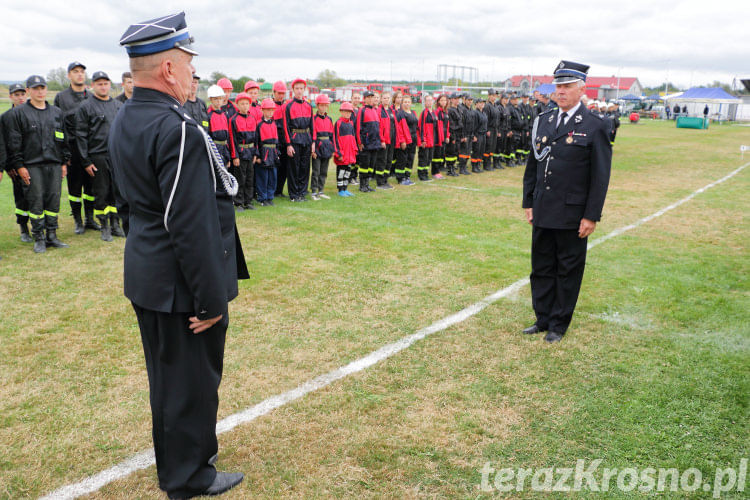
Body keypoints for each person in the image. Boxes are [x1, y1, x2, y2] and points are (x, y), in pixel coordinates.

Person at [109, 12, 248, 498]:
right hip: (179, 285)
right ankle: (189, 478)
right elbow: (189, 225)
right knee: (189, 383)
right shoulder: (178, 128)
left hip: (148, 271)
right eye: (189, 63)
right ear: (168, 69)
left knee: (168, 380)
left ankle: (181, 466)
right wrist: (209, 300)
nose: (195, 73)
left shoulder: (128, 113)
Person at [522, 60, 612, 343]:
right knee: (541, 267)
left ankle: (559, 325)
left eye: (566, 86)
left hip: (573, 213)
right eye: (558, 86)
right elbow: (532, 165)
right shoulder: (544, 120)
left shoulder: (595, 125)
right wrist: (529, 202)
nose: (560, 91)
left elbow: (600, 176)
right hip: (544, 208)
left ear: (581, 89)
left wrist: (591, 215)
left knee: (568, 270)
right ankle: (543, 317)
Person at [7, 75, 70, 253]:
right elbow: (14, 142)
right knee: (36, 202)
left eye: (42, 88)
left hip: (54, 164)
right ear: (28, 91)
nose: (40, 91)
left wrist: (64, 162)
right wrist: (20, 166)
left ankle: (52, 235)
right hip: (32, 165)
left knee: (53, 200)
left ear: (46, 90)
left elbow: (63, 138)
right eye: (35, 88)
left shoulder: (56, 112)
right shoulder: (19, 113)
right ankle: (39, 237)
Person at [74, 71, 124, 241]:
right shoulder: (86, 106)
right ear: (93, 85)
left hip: (116, 156)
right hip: (97, 156)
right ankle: (104, 226)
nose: (103, 87)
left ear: (110, 85)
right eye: (99, 84)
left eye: (106, 83)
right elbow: (80, 135)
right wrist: (86, 161)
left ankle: (116, 224)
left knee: (116, 192)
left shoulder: (118, 105)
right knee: (101, 192)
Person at [55, 61, 99, 234]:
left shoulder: (92, 96)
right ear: (69, 75)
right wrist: (62, 153)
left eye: (82, 71)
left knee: (91, 186)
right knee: (75, 187)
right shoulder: (62, 97)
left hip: (91, 147)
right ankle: (78, 221)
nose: (79, 74)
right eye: (75, 71)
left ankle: (90, 218)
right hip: (72, 147)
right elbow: (57, 125)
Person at [1, 83, 33, 242]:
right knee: (21, 197)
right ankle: (23, 228)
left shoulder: (32, 113)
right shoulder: (5, 117)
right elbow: (4, 143)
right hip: (16, 165)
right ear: (11, 96)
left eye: (22, 94)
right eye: (16, 95)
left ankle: (37, 226)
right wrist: (9, 166)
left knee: (36, 196)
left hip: (34, 162)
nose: (20, 98)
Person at [283, 78, 314, 202]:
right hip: (295, 140)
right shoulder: (288, 106)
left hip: (306, 139)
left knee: (305, 167)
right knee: (294, 168)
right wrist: (288, 144)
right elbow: (286, 126)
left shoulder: (308, 106)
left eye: (301, 88)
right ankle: (294, 194)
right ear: (293, 90)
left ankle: (302, 192)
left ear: (304, 90)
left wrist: (313, 142)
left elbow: (312, 126)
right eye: (297, 88)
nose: (299, 91)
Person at [229, 92, 257, 210]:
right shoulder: (233, 120)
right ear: (238, 105)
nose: (245, 106)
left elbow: (256, 138)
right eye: (242, 104)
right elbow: (232, 139)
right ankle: (238, 202)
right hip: (240, 153)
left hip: (250, 152)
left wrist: (255, 153)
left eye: (247, 103)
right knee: (240, 178)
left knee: (250, 178)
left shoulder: (252, 118)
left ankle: (248, 201)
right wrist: (235, 156)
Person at [255, 98, 280, 206]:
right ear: (263, 110)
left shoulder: (274, 124)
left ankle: (270, 197)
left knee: (272, 176)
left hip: (273, 154)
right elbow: (256, 141)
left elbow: (277, 141)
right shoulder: (259, 125)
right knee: (263, 177)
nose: (270, 112)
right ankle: (262, 198)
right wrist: (258, 156)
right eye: (268, 110)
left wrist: (277, 153)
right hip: (263, 153)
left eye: (272, 110)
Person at [355, 90, 380, 192]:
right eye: (368, 97)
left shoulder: (375, 110)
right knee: (364, 165)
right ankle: (362, 185)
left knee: (371, 165)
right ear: (364, 99)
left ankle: (367, 184)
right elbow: (358, 127)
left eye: (372, 97)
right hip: (366, 143)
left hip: (375, 143)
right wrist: (360, 142)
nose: (370, 99)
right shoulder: (362, 110)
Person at [311, 94, 334, 199]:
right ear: (317, 105)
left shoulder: (329, 119)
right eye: (321, 105)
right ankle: (314, 191)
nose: (323, 107)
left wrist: (332, 149)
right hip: (317, 147)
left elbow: (331, 136)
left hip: (327, 147)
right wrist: (313, 150)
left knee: (324, 171)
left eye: (326, 105)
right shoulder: (314, 119)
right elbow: (313, 135)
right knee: (316, 170)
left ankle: (321, 190)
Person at [332, 101, 357, 197]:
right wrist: (338, 153)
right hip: (342, 154)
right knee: (341, 171)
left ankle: (345, 188)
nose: (347, 114)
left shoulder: (351, 123)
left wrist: (354, 150)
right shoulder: (338, 123)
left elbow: (353, 138)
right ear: (341, 112)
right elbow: (335, 139)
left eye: (349, 112)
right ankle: (340, 189)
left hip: (350, 153)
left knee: (347, 171)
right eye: (345, 112)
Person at [271, 80, 290, 198]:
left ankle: (279, 190)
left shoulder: (286, 106)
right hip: (274, 140)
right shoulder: (269, 106)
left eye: (283, 93)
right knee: (274, 167)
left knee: (285, 166)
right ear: (274, 92)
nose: (281, 95)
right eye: (279, 93)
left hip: (285, 140)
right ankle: (272, 190)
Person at [207, 84, 232, 168]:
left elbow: (228, 138)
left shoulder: (225, 115)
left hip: (224, 150)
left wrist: (228, 156)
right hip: (214, 149)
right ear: (210, 99)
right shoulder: (208, 115)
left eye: (220, 98)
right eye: (215, 99)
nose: (218, 101)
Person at [394, 95, 417, 185]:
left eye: (408, 102)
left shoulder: (413, 113)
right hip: (405, 140)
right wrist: (402, 141)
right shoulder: (400, 114)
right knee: (402, 159)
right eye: (405, 102)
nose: (407, 103)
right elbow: (399, 129)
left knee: (410, 158)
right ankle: (400, 178)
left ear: (411, 103)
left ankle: (407, 176)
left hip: (413, 140)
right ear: (402, 103)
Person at [375, 91, 396, 189]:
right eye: (384, 98)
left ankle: (385, 180)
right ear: (381, 99)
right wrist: (382, 140)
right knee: (382, 160)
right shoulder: (379, 111)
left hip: (391, 140)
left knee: (389, 160)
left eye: (388, 98)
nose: (386, 100)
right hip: (384, 141)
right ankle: (380, 181)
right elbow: (379, 127)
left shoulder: (391, 110)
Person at [416, 94, 436, 181]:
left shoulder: (433, 112)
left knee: (429, 158)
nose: (429, 102)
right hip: (426, 140)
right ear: (425, 102)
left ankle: (425, 173)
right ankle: (421, 175)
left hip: (432, 139)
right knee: (423, 158)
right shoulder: (424, 113)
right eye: (427, 100)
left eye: (431, 100)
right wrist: (423, 139)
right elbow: (421, 127)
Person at [445, 92, 462, 176]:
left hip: (458, 134)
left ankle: (453, 167)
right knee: (450, 152)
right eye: (455, 99)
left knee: (455, 152)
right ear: (451, 100)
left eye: (458, 98)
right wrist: (453, 137)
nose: (457, 100)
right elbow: (451, 126)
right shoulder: (450, 110)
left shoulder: (458, 109)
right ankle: (449, 169)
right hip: (453, 135)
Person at [432, 94, 449, 178]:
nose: (443, 102)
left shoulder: (445, 112)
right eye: (442, 100)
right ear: (438, 101)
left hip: (444, 136)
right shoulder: (437, 112)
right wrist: (440, 137)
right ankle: (435, 172)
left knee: (441, 154)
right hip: (438, 137)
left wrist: (447, 136)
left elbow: (447, 125)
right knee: (437, 155)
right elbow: (437, 126)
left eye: (445, 100)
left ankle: (438, 170)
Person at [484, 89, 500, 170]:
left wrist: (497, 130)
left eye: (495, 95)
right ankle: (486, 164)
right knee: (488, 146)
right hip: (489, 129)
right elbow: (486, 119)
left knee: (493, 147)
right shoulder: (487, 106)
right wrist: (487, 130)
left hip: (495, 129)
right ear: (489, 96)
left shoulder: (495, 106)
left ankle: (489, 163)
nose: (494, 97)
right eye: (492, 95)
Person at [471, 98, 487, 173]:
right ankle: (474, 166)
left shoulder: (484, 113)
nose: (482, 104)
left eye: (483, 102)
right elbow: (473, 125)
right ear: (476, 104)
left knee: (481, 150)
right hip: (478, 134)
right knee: (476, 151)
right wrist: (473, 135)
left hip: (483, 134)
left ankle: (478, 165)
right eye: (480, 102)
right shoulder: (475, 113)